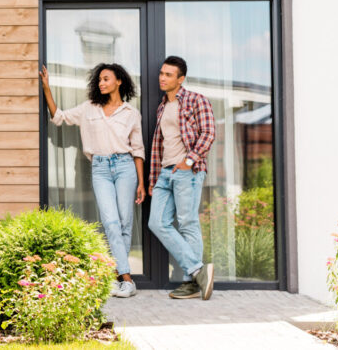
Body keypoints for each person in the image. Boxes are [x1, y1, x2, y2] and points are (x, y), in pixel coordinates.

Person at [40, 63, 146, 298]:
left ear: (119, 81)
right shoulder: (88, 108)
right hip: (100, 168)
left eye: (106, 79)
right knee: (111, 223)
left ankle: (119, 278)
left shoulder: (131, 113)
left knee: (125, 222)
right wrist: (47, 88)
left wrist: (141, 183)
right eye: (99, 80)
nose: (101, 83)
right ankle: (127, 279)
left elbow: (138, 150)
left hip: (125, 167)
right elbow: (58, 117)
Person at [147, 56, 217, 300]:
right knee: (156, 222)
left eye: (168, 75)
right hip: (165, 173)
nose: (162, 78)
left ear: (181, 79)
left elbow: (208, 133)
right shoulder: (162, 107)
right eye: (162, 73)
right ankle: (198, 271)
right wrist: (153, 180)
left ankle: (191, 283)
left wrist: (188, 162)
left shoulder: (196, 100)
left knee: (187, 223)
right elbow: (160, 145)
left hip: (187, 172)